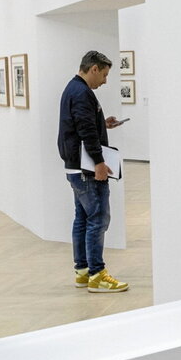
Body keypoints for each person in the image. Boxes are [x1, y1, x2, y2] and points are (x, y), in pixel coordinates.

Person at [57, 50, 129, 292]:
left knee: (82, 218)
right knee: (98, 219)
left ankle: (83, 271)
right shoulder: (81, 93)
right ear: (94, 68)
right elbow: (85, 130)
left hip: (75, 167)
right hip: (87, 169)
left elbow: (84, 124)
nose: (105, 81)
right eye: (105, 75)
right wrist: (99, 163)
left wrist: (103, 123)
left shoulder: (74, 89)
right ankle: (97, 274)